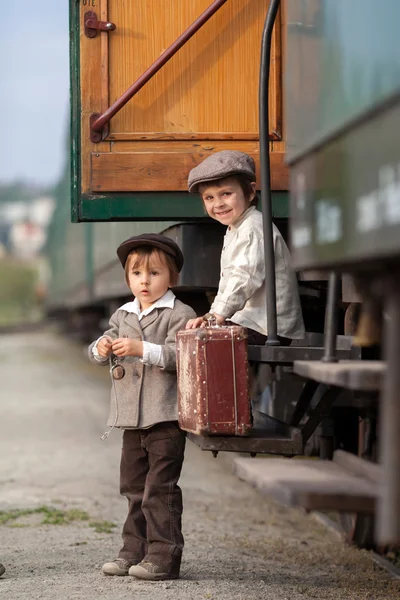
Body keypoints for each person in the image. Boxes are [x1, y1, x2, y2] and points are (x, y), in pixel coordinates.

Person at [88, 233, 196, 581]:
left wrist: (141, 349)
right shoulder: (123, 313)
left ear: (172, 277)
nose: (144, 281)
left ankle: (163, 555)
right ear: (128, 278)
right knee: (133, 488)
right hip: (131, 420)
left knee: (159, 489)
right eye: (137, 274)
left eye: (154, 273)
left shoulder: (179, 313)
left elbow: (182, 356)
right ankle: (132, 551)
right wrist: (101, 346)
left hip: (165, 417)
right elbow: (95, 349)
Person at [185, 150, 305, 343]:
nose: (218, 204)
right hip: (249, 321)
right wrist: (213, 314)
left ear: (250, 192)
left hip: (267, 326)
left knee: (206, 343)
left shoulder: (252, 228)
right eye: (209, 198)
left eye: (226, 193)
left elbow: (245, 277)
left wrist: (217, 316)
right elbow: (227, 284)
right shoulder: (236, 228)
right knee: (197, 336)